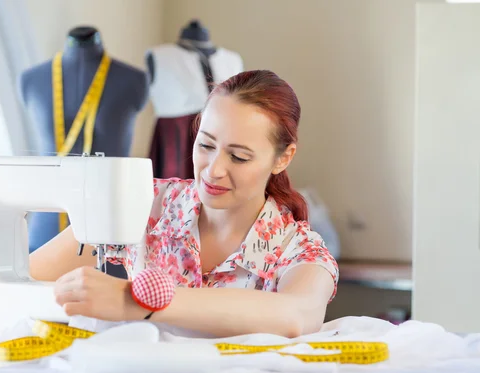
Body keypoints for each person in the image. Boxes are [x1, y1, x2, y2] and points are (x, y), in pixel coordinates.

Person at [29, 70, 339, 339]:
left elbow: (296, 315)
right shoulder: (144, 205)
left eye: (239, 156)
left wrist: (138, 302)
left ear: (283, 158)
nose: (213, 169)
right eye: (205, 145)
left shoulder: (299, 248)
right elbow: (27, 276)